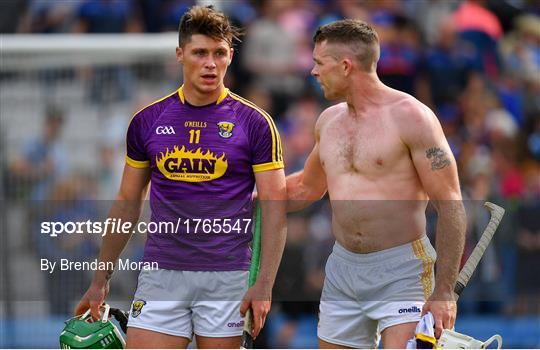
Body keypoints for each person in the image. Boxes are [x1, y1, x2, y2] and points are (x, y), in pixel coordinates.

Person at [75, 5, 287, 348]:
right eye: (200, 52)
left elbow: (275, 208)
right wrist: (100, 279)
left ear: (231, 56)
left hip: (228, 276)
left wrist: (264, 284)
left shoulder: (256, 123)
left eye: (219, 53)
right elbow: (128, 203)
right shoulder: (147, 120)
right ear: (180, 54)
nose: (210, 63)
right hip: (161, 275)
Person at [286, 19, 466, 348]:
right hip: (342, 267)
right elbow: (304, 189)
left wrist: (444, 292)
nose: (313, 72)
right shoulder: (329, 121)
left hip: (402, 270)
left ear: (345, 66)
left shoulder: (412, 117)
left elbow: (450, 202)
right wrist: (242, 193)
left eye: (318, 63)